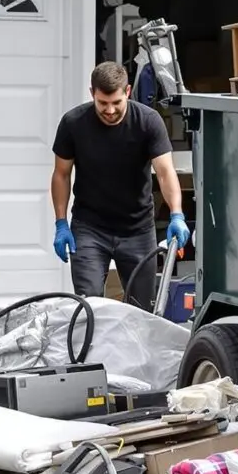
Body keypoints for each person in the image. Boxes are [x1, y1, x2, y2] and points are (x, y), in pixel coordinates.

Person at [50, 62, 189, 309]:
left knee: (143, 308)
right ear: (92, 93)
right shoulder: (73, 123)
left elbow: (166, 173)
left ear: (127, 92)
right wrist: (61, 222)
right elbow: (61, 174)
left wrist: (176, 213)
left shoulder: (148, 122)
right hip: (89, 227)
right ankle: (90, 347)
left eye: (116, 102)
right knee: (88, 303)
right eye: (103, 103)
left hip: (137, 229)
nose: (110, 110)